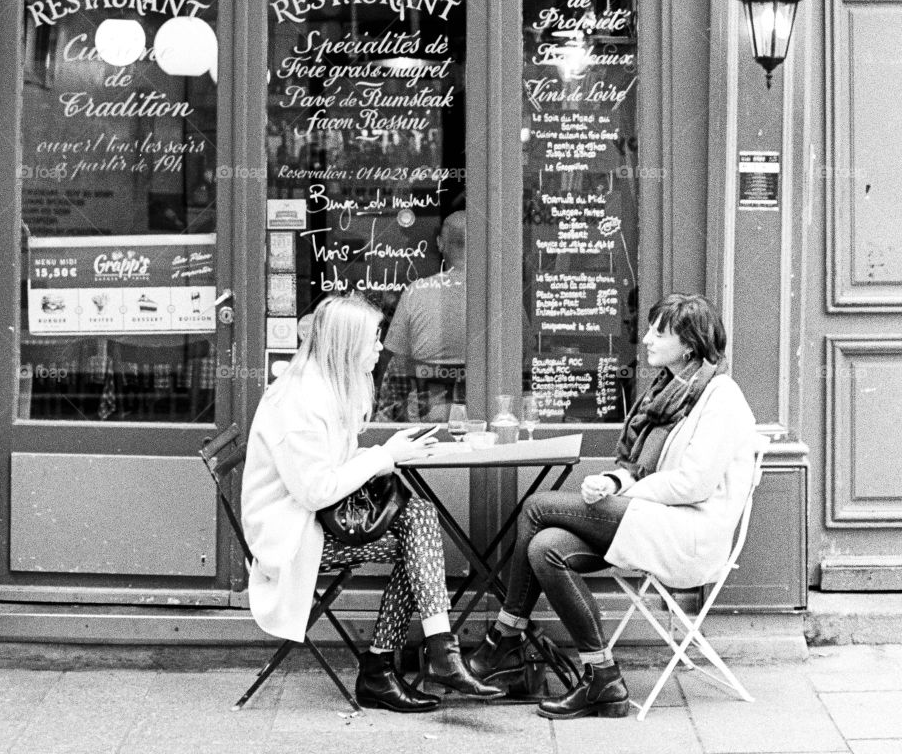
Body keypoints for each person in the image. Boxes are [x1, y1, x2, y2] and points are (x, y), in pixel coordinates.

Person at [467, 292, 758, 720]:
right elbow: (641, 469)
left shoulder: (721, 398)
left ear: (690, 345)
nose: (645, 340)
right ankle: (603, 677)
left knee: (536, 507)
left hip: (689, 532)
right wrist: (613, 480)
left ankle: (505, 639)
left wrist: (621, 496)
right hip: (653, 518)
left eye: (660, 332)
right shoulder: (669, 392)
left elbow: (693, 484)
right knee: (545, 546)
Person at [241, 291, 504, 712]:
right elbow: (315, 490)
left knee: (419, 523)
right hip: (291, 536)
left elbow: (331, 468)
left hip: (317, 520)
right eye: (373, 339)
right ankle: (398, 664)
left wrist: (387, 452)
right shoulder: (298, 401)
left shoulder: (324, 386)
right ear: (346, 346)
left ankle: (423, 654)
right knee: (418, 541)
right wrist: (384, 457)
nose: (381, 348)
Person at [376, 210, 467, 421]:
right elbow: (526, 354)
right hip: (487, 417)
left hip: (427, 418)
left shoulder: (416, 292)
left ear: (439, 243)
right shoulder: (502, 294)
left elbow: (392, 357)